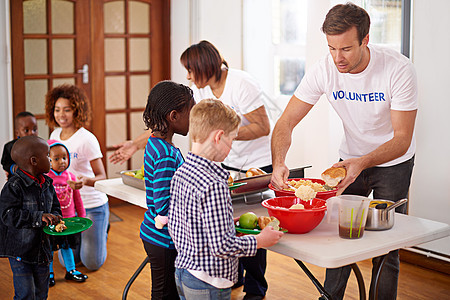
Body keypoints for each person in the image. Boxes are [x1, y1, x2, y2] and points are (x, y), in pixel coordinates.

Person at [271, 3, 417, 300]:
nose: (338, 58)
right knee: (338, 235)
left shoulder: (399, 69)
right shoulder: (324, 69)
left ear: (365, 40)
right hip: (349, 158)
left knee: (387, 245)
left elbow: (402, 138)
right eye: (331, 48)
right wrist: (278, 162)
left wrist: (363, 162)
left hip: (393, 161)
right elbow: (286, 121)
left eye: (346, 49)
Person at [180, 40, 272, 300]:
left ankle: (256, 289)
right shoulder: (201, 90)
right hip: (225, 164)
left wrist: (223, 135)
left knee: (251, 226)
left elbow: (263, 127)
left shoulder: (242, 84)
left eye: (190, 70)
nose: (187, 76)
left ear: (204, 66)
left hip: (256, 164)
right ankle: (234, 277)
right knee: (228, 225)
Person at [168, 99, 283, 300]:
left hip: (183, 272)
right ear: (219, 137)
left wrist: (226, 225)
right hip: (209, 280)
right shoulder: (215, 183)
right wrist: (259, 241)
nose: (231, 147)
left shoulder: (181, 172)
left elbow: (181, 225)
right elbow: (222, 247)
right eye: (231, 140)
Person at [139, 80, 195, 299]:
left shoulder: (157, 143)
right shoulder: (165, 155)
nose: (196, 118)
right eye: (192, 112)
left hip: (159, 236)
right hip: (163, 238)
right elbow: (163, 206)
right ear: (173, 116)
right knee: (164, 294)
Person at [45, 84, 109, 271]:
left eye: (67, 110)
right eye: (57, 110)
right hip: (67, 208)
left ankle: (102, 231)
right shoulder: (54, 134)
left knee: (92, 263)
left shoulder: (86, 139)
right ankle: (84, 238)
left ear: (76, 110)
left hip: (93, 205)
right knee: (67, 262)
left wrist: (85, 182)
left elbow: (102, 176)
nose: (61, 115)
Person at [0, 135, 62, 300]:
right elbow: (7, 215)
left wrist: (56, 217)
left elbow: (55, 207)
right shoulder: (13, 186)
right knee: (25, 294)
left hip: (43, 250)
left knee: (41, 293)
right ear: (34, 161)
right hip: (21, 252)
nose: (50, 159)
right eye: (48, 156)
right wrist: (39, 217)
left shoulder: (48, 183)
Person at [47, 139, 88, 286]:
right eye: (56, 159)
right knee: (50, 248)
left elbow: (77, 199)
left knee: (67, 246)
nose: (62, 162)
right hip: (52, 222)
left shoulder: (71, 177)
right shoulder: (46, 179)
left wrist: (82, 218)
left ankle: (71, 271)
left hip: (69, 221)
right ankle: (49, 273)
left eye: (64, 158)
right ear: (48, 160)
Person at [1, 111, 38, 180]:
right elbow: (5, 162)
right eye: (26, 130)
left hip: (35, 181)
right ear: (17, 133)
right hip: (16, 181)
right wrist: (13, 168)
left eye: (34, 129)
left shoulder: (40, 146)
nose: (31, 133)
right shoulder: (10, 146)